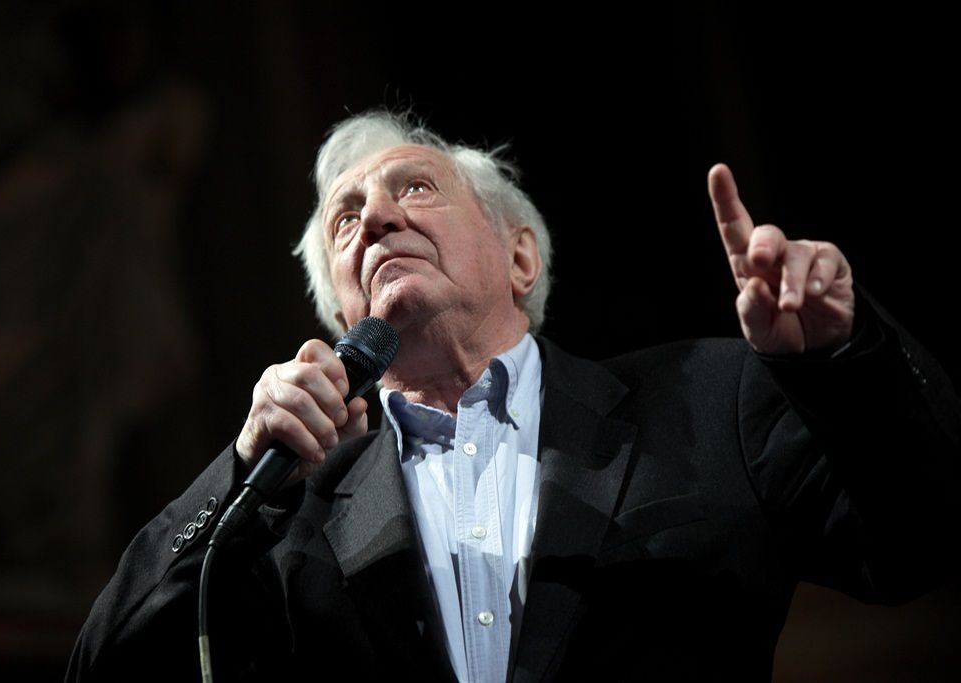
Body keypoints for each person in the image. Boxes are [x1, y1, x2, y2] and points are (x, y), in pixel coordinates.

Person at [66, 111, 960, 682]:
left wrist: (842, 357)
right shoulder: (289, 516)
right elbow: (107, 670)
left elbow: (922, 542)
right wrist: (239, 471)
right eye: (345, 220)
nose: (375, 218)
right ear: (340, 309)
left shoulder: (710, 397)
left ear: (520, 255)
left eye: (416, 187)